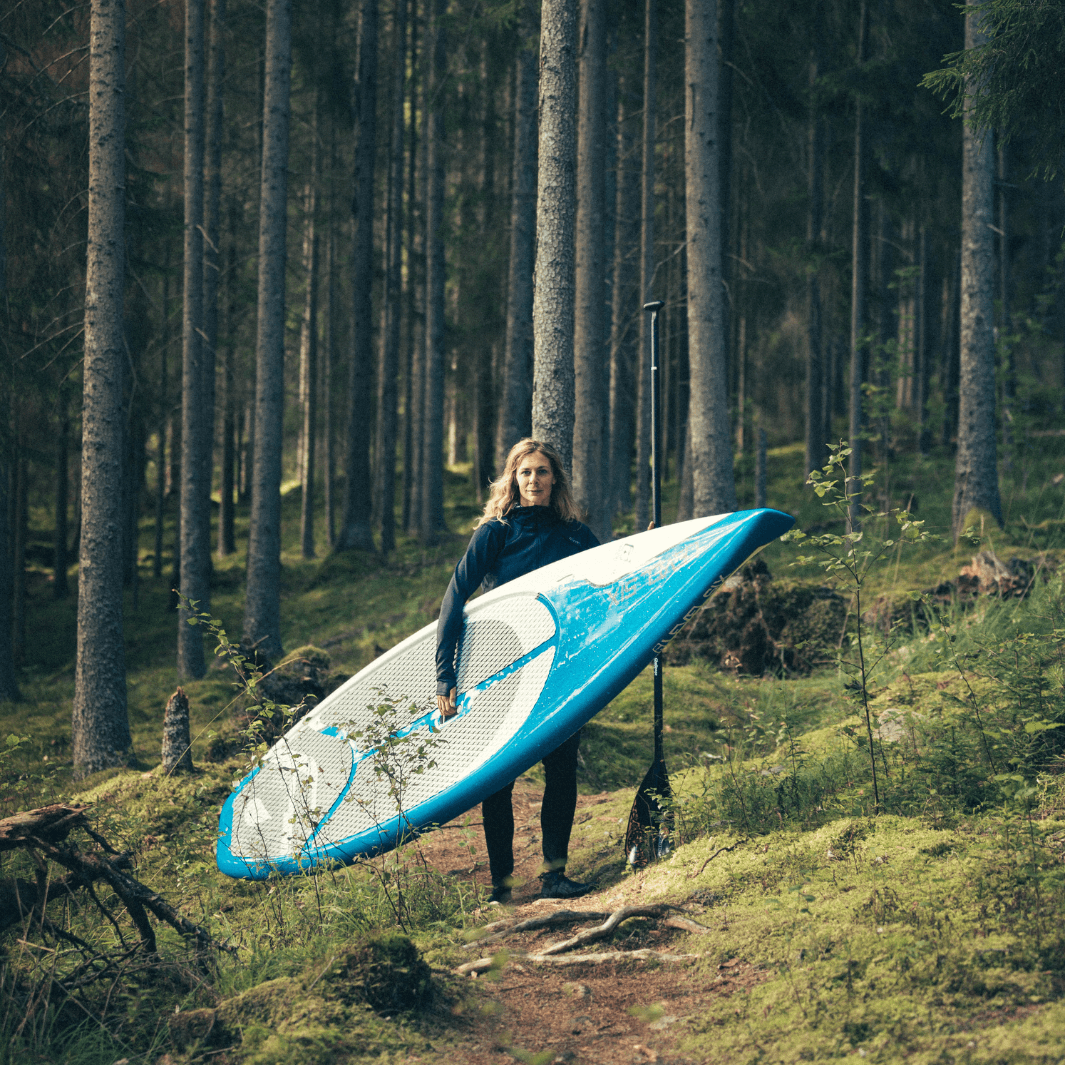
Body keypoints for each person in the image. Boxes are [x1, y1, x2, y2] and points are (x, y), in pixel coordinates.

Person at [435, 438, 599, 904]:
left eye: (542, 471)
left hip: (561, 667)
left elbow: (611, 578)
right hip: (504, 670)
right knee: (499, 778)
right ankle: (502, 885)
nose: (534, 480)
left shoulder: (574, 534)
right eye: (525, 472)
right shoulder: (497, 533)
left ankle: (555, 876)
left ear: (555, 478)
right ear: (513, 479)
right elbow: (455, 596)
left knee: (561, 772)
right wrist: (445, 674)